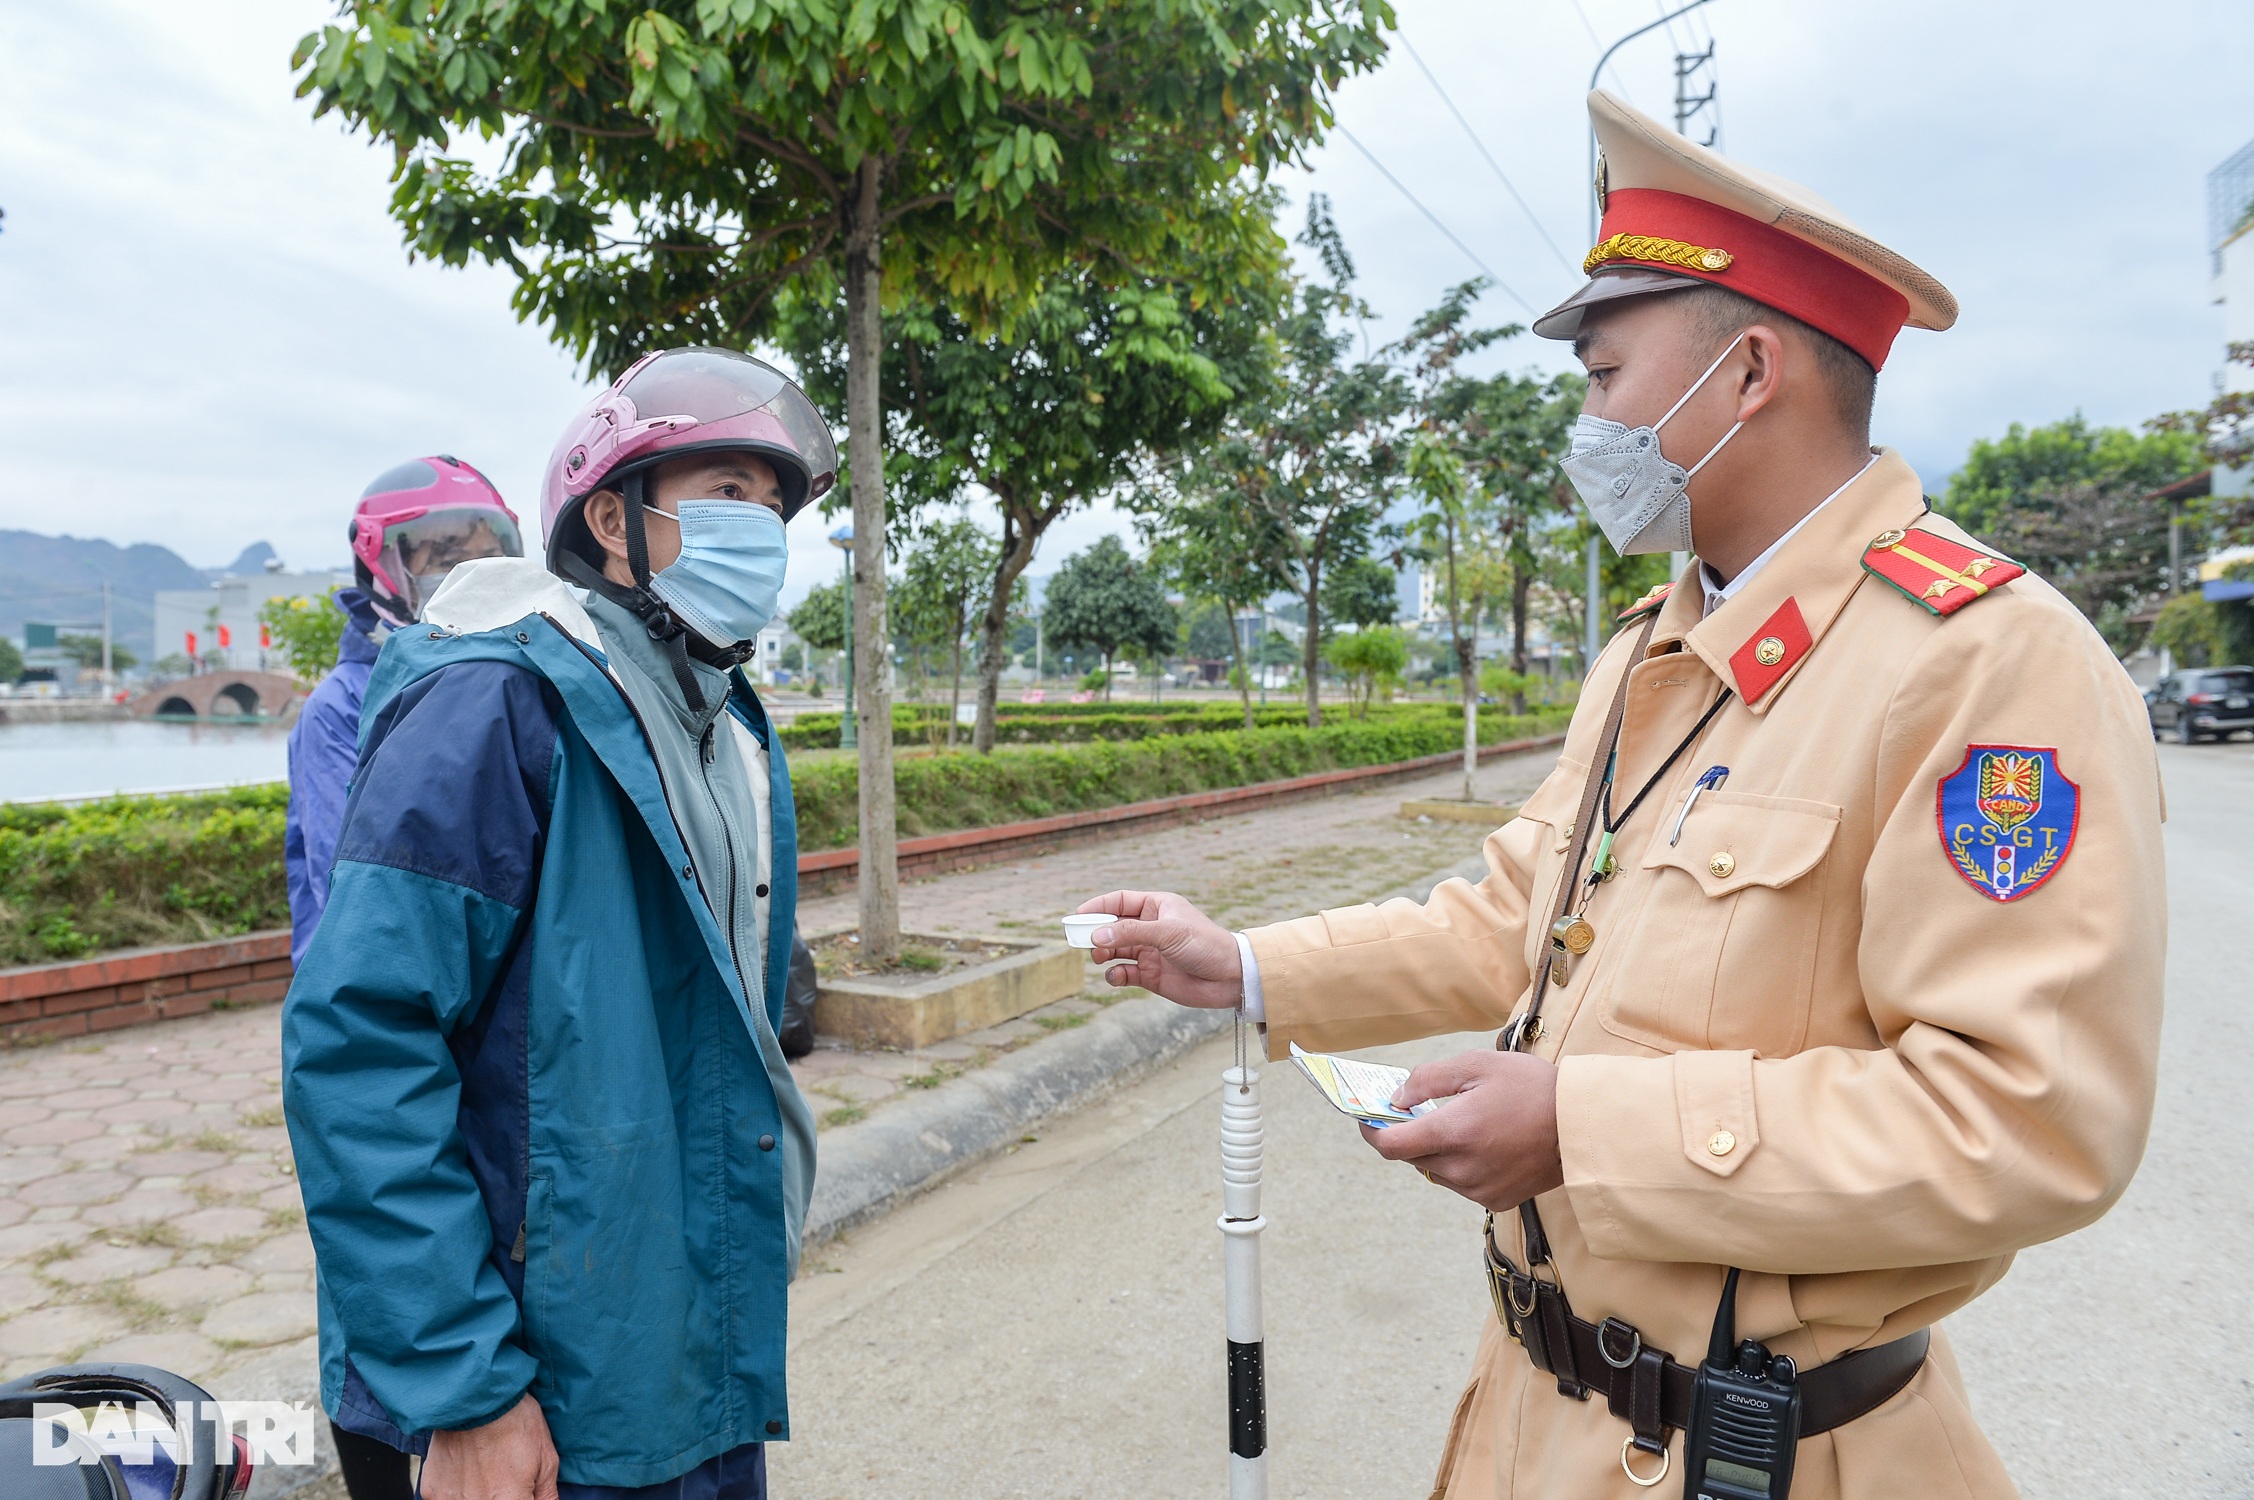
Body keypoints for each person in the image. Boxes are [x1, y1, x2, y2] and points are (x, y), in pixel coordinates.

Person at [1082, 92, 2163, 1499]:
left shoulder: (1984, 668)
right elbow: (1512, 915)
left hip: (1768, 1456)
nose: (1584, 417)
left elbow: (2028, 1120)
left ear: (1750, 373)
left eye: (1602, 373)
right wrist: (1241, 967)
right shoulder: (1655, 652)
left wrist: (1579, 1127)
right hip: (1536, 1417)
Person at [281, 348, 835, 1500]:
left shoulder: (723, 722)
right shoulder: (495, 703)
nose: (761, 529)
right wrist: (463, 1387)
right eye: (726, 494)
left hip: (687, 1341)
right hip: (533, 1373)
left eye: (775, 507)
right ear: (611, 519)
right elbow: (361, 1050)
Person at [285, 456, 523, 970]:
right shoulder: (340, 707)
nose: (473, 572)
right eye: (446, 554)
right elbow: (347, 879)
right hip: (381, 986)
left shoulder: (519, 677)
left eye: (490, 553)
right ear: (384, 567)